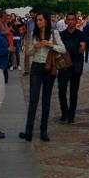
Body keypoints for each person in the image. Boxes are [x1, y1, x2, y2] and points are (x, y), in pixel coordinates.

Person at [19, 12, 66, 143]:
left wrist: (50, 44)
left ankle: (43, 131)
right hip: (36, 68)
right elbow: (27, 53)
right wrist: (35, 46)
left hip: (49, 68)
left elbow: (63, 49)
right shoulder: (34, 34)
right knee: (33, 99)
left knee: (46, 100)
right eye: (37, 20)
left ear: (45, 21)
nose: (38, 22)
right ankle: (28, 131)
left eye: (40, 20)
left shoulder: (54, 33)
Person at [57, 12, 86, 124]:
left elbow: (82, 49)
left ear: (76, 21)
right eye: (68, 19)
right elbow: (60, 50)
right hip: (63, 67)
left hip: (76, 67)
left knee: (74, 93)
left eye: (72, 19)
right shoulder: (62, 35)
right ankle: (64, 113)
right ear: (66, 21)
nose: (70, 21)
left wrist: (69, 50)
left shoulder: (80, 34)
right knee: (61, 91)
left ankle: (71, 115)